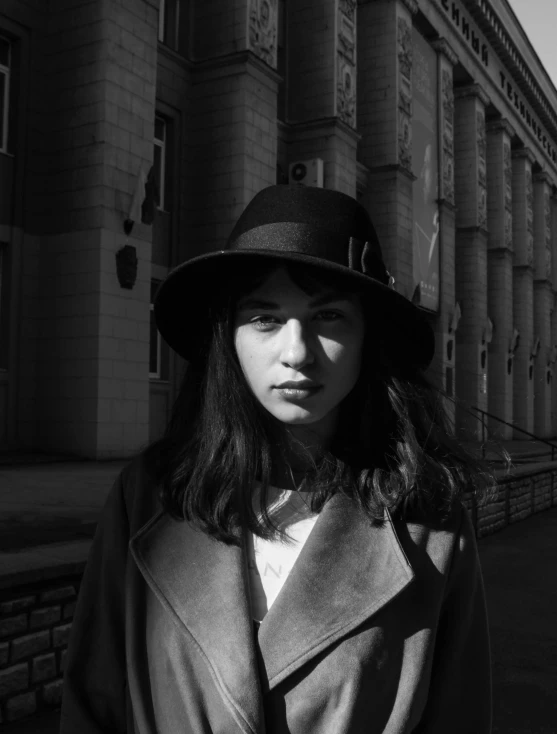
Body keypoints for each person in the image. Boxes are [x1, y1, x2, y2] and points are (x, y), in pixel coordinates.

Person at [60, 185, 492, 734]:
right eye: (265, 318)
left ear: (367, 338)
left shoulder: (431, 519)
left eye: (329, 316)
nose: (296, 352)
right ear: (229, 336)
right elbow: (94, 703)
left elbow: (460, 713)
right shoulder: (148, 495)